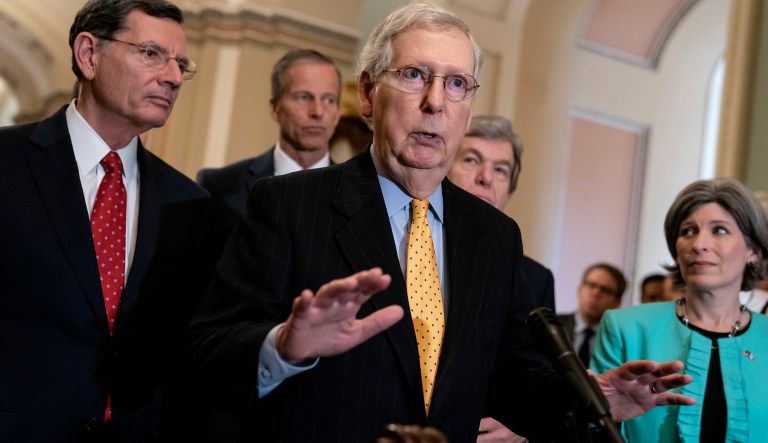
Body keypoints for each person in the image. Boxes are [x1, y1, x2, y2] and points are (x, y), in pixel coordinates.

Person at [187, 3, 694, 442]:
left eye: (456, 84)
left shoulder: (494, 235)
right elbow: (205, 356)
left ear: (469, 107)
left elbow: (513, 380)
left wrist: (593, 399)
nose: (435, 102)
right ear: (367, 94)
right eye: (413, 75)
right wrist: (285, 346)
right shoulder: (287, 205)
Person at [0, 0, 213, 441]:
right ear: (89, 55)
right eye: (151, 53)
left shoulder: (188, 202)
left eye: (181, 64)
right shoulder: (7, 162)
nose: (172, 77)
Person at [592, 177, 768, 442]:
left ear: (752, 250)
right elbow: (587, 430)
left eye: (719, 230)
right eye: (688, 231)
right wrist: (601, 416)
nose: (699, 244)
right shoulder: (625, 327)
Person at [447, 114, 554, 442]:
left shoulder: (535, 279)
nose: (485, 178)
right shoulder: (405, 242)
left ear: (510, 188)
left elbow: (535, 378)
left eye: (500, 170)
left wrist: (522, 431)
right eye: (470, 160)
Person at [196, 48, 342, 259]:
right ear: (275, 108)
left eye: (328, 100)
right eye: (303, 97)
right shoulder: (220, 186)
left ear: (337, 114)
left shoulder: (358, 194)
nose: (317, 112)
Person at [559, 263, 626, 367]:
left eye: (605, 290)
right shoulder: (553, 326)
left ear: (618, 301)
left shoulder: (620, 341)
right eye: (591, 285)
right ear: (580, 290)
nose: (596, 293)